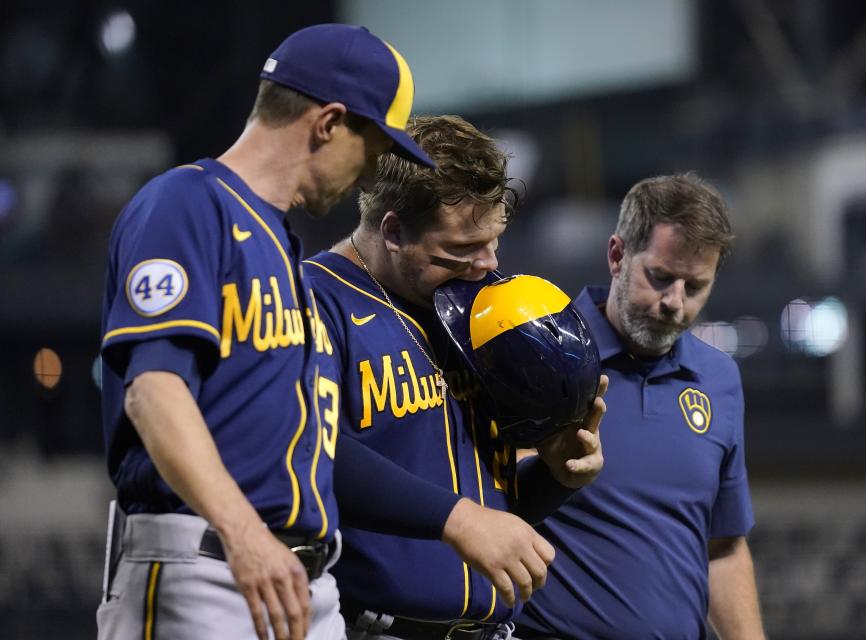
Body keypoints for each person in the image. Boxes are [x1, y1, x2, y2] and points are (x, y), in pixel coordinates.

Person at [97, 24, 433, 640]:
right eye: (374, 147)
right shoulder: (187, 204)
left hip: (299, 578)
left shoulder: (283, 248)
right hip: (207, 561)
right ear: (329, 122)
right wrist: (244, 532)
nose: (370, 175)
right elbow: (153, 389)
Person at [301, 114, 606, 640]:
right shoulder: (314, 300)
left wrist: (555, 475)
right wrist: (458, 517)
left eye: (494, 240)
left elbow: (490, 511)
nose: (487, 265)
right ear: (393, 230)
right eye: (463, 249)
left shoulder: (474, 310)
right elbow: (307, 448)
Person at [516, 174, 765, 639]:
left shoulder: (719, 380)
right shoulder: (538, 355)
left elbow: (725, 547)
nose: (674, 302)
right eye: (661, 277)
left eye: (695, 287)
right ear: (617, 255)